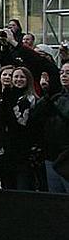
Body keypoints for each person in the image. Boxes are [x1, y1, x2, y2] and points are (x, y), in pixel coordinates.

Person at [29, 61, 69, 193]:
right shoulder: (53, 96)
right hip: (52, 156)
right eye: (61, 73)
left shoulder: (59, 97)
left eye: (68, 73)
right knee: (55, 200)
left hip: (66, 156)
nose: (64, 76)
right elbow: (34, 117)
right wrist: (46, 94)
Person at [0, 66, 40, 190]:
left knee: (23, 187)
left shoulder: (32, 100)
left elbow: (23, 124)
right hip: (7, 150)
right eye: (16, 76)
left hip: (24, 151)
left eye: (22, 77)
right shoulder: (6, 96)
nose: (18, 79)